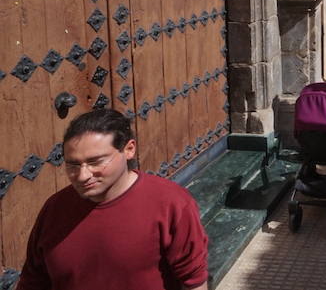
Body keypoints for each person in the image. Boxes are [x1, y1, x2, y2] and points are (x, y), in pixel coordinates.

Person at [18, 109, 208, 290]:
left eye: (96, 162)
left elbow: (194, 281)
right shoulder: (55, 209)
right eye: (73, 165)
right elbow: (33, 281)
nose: (83, 175)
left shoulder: (172, 204)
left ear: (129, 149)